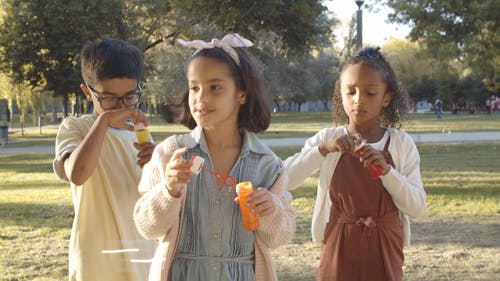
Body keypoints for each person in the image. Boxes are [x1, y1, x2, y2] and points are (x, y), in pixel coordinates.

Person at [133, 33, 295, 281]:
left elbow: (278, 238)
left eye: (215, 87)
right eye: (194, 87)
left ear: (241, 94)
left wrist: (271, 211)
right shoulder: (170, 155)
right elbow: (147, 227)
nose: (201, 98)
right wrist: (169, 190)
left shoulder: (267, 166)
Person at [284, 47, 426, 281]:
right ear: (341, 93)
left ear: (386, 98)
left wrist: (387, 172)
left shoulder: (400, 144)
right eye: (351, 91)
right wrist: (323, 150)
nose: (358, 100)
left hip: (385, 246)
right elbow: (286, 179)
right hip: (338, 245)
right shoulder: (326, 140)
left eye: (370, 93)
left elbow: (417, 207)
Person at [52, 38, 156, 281]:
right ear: (88, 92)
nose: (121, 106)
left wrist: (157, 168)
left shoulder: (141, 135)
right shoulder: (76, 128)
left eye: (129, 97)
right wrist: (105, 121)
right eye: (109, 99)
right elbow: (77, 174)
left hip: (142, 257)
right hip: (97, 262)